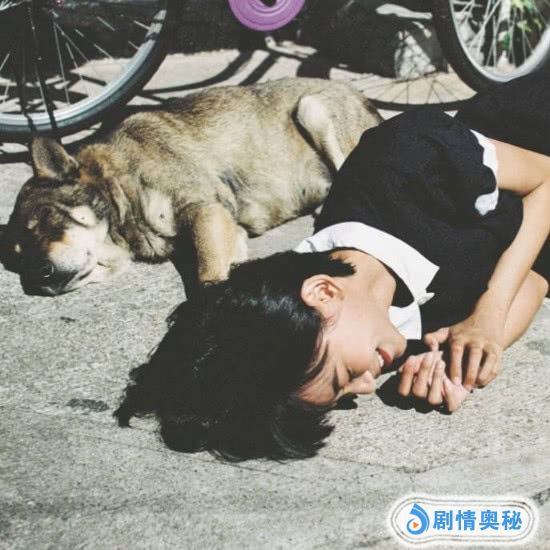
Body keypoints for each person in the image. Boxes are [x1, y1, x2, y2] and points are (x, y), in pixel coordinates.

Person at [114, 70, 550, 462]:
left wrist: (489, 309)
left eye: (344, 377)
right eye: (345, 392)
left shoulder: (404, 160)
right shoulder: (378, 331)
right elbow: (533, 274)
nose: (366, 386)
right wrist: (467, 356)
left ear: (323, 293)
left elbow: (546, 180)